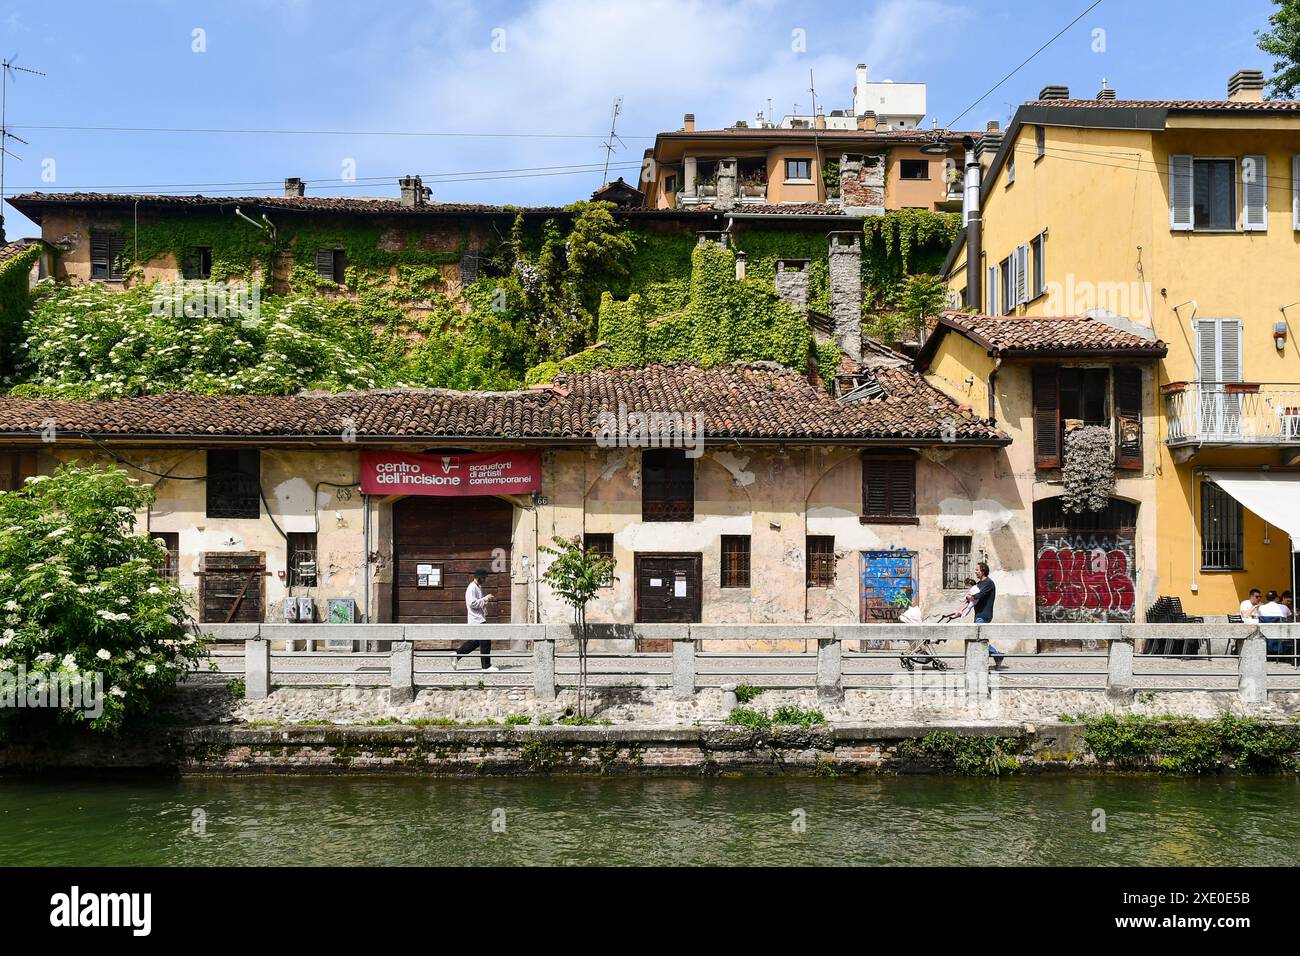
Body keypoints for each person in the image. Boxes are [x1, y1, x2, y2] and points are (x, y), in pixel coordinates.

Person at [456, 568, 498, 671]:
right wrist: (485, 599)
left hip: (479, 618)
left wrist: (485, 601)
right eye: (483, 578)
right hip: (476, 619)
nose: (485, 580)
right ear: (479, 578)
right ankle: (486, 666)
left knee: (476, 642)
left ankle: (456, 655)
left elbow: (477, 602)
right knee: (485, 641)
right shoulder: (472, 588)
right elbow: (472, 604)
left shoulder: (477, 587)